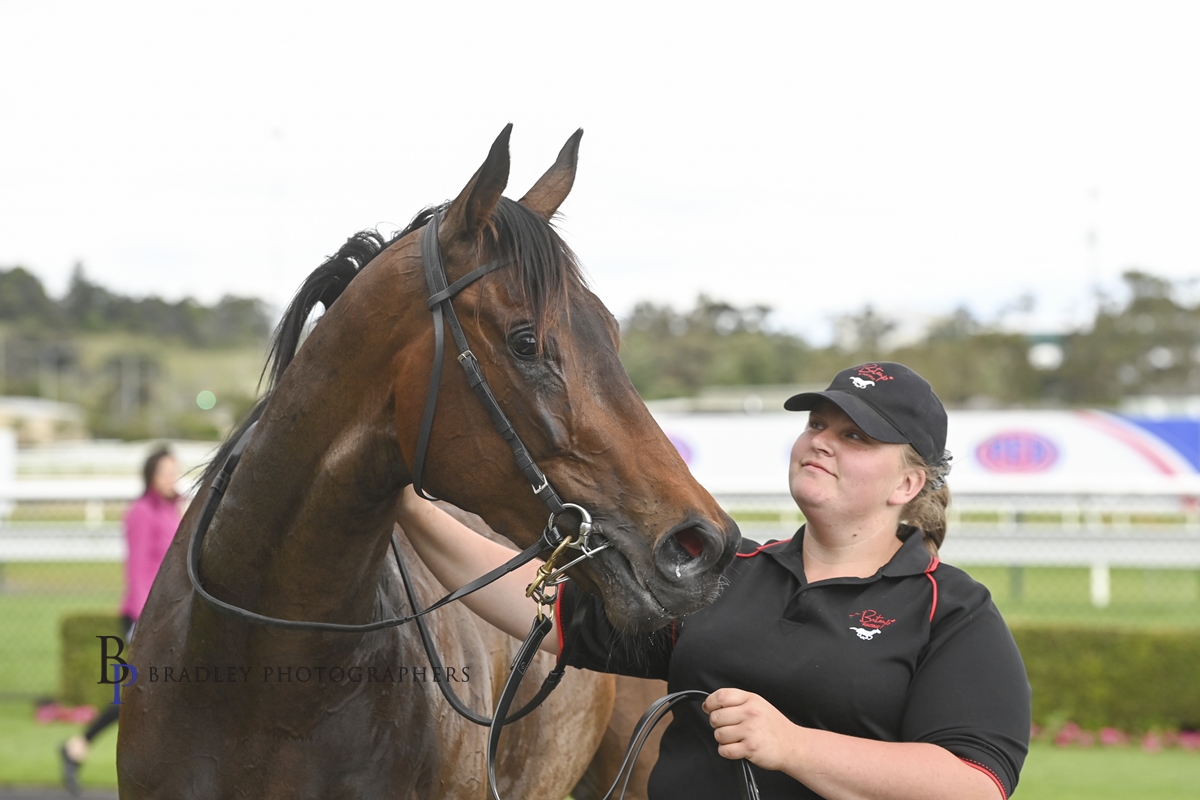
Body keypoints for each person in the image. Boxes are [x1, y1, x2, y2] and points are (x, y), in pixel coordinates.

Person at [396, 362, 1030, 800]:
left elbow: (974, 783)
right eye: (817, 425)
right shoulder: (725, 571)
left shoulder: (953, 609)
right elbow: (550, 609)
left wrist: (792, 747)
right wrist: (405, 508)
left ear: (907, 484)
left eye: (855, 437)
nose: (821, 442)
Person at [60, 446, 181, 796]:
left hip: (166, 613)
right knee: (136, 692)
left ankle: (78, 747)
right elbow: (137, 570)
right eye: (164, 472)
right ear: (150, 476)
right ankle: (82, 746)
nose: (171, 478)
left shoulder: (173, 509)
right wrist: (144, 622)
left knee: (146, 692)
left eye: (174, 471)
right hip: (141, 615)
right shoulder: (140, 513)